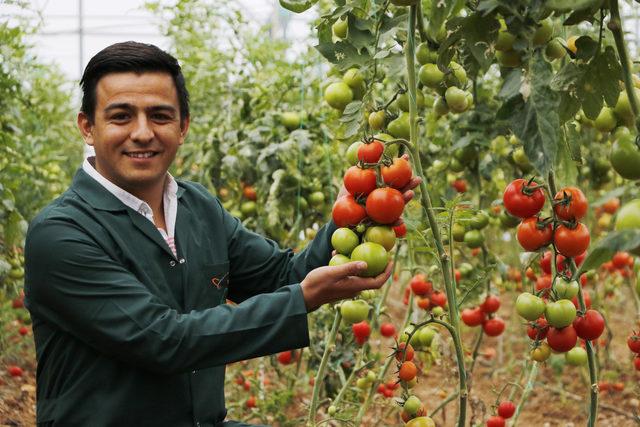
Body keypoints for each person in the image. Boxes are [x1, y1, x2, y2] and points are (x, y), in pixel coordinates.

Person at [24, 41, 419, 427]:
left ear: (183, 128)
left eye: (160, 116)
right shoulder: (62, 234)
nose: (143, 133)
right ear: (88, 128)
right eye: (121, 116)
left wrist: (354, 209)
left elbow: (282, 277)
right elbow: (164, 339)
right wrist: (301, 299)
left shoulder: (197, 209)